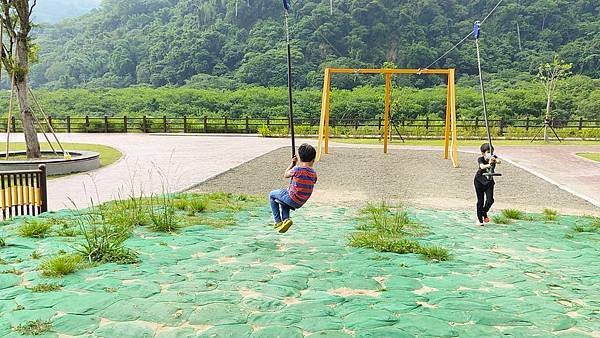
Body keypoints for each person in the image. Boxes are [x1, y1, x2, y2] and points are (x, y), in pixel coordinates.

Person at [269, 143, 317, 233]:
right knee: (284, 200)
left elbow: (285, 174)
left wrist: (292, 164)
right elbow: (312, 180)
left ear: (300, 158)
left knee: (272, 195)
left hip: (292, 198)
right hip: (300, 202)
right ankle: (286, 219)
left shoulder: (297, 169)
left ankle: (277, 221)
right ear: (313, 159)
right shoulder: (314, 173)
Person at [474, 143, 500, 226]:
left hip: (489, 181)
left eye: (491, 152)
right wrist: (489, 164)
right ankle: (480, 220)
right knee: (480, 201)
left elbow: (499, 161)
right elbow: (481, 167)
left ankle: (484, 212)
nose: (490, 153)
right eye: (488, 152)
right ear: (483, 153)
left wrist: (494, 160)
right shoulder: (480, 159)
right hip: (479, 180)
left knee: (490, 200)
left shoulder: (493, 157)